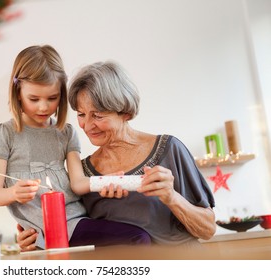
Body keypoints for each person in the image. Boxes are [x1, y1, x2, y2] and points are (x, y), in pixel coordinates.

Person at [17, 60, 216, 250]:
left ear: (125, 112)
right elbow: (75, 233)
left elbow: (208, 230)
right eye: (81, 114)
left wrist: (171, 197)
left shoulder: (169, 150)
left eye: (98, 115)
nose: (87, 125)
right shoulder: (84, 176)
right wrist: (34, 240)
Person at [0, 46, 151, 250]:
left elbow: (78, 184)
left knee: (139, 238)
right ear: (17, 92)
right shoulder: (5, 134)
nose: (43, 107)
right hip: (48, 232)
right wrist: (13, 193)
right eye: (34, 99)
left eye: (52, 98)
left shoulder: (66, 133)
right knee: (138, 239)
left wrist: (107, 182)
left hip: (77, 220)